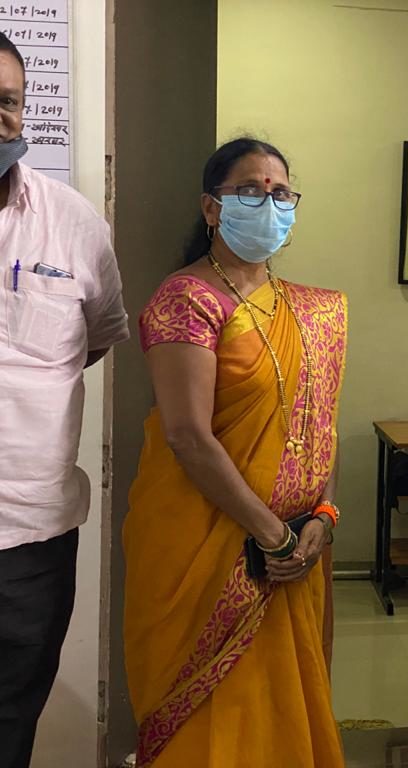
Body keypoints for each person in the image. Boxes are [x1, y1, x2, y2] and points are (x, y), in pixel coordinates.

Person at [122, 138, 347, 767]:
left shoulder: (312, 311)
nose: (268, 203)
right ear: (212, 208)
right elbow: (187, 436)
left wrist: (323, 516)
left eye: (281, 193)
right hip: (206, 546)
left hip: (297, 548)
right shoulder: (187, 299)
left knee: (281, 713)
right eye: (249, 190)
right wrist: (272, 536)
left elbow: (320, 424)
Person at [0, 32, 130, 768]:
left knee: (10, 724)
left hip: (31, 536)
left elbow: (97, 337)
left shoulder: (75, 222)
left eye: (7, 101)